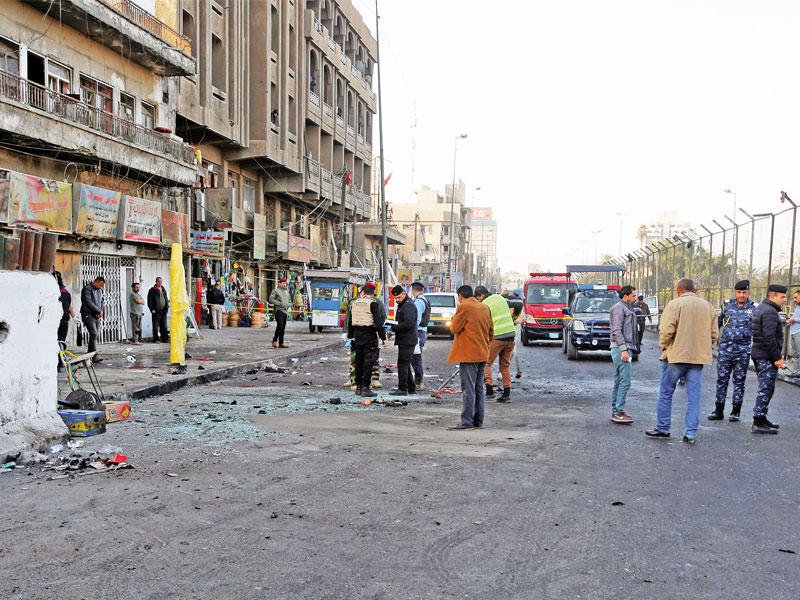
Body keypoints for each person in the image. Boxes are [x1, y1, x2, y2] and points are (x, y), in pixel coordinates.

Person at [645, 278, 718, 444]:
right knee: (694, 398)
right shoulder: (708, 307)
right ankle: (690, 433)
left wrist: (664, 346)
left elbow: (666, 330)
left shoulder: (674, 304)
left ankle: (663, 428)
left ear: (678, 290)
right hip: (698, 358)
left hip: (676, 356)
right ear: (694, 290)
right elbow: (714, 335)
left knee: (666, 393)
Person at [446, 285, 493, 430]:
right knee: (479, 387)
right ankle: (478, 421)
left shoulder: (464, 307)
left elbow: (454, 328)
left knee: (468, 389)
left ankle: (466, 422)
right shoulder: (484, 307)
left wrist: (454, 317)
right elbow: (491, 332)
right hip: (482, 353)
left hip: (469, 355)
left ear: (460, 297)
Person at [709, 279, 755, 422]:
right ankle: (718, 410)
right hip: (725, 350)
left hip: (743, 351)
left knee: (739, 381)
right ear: (735, 292)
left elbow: (758, 329)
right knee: (722, 380)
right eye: (739, 292)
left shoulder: (754, 308)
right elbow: (717, 324)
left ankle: (735, 411)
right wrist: (712, 340)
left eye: (744, 292)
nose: (741, 295)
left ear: (748, 293)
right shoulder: (727, 305)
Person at [750, 284, 788, 434]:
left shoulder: (763, 308)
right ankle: (758, 422)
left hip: (761, 354)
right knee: (765, 388)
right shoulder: (770, 312)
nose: (785, 300)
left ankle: (762, 417)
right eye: (782, 297)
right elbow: (769, 337)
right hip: (766, 356)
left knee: (768, 388)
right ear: (773, 297)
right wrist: (777, 358)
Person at [475, 286, 519, 403]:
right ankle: (506, 394)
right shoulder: (500, 298)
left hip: (497, 336)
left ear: (482, 295)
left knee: (486, 363)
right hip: (510, 336)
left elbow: (483, 323)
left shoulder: (484, 304)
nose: (478, 300)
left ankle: (489, 392)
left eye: (478, 298)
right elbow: (518, 304)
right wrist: (515, 316)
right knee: (505, 366)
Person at [347, 281, 387, 398]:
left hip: (357, 335)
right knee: (368, 362)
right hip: (369, 335)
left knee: (358, 361)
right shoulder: (373, 304)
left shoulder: (354, 303)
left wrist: (350, 336)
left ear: (363, 292)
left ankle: (359, 387)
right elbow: (378, 324)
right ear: (373, 293)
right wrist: (383, 338)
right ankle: (366, 388)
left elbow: (350, 322)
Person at [609, 285, 638, 424]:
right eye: (633, 295)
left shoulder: (627, 308)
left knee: (619, 381)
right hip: (621, 349)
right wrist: (623, 350)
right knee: (625, 381)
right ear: (625, 296)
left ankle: (617, 411)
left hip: (623, 348)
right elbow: (616, 330)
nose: (635, 298)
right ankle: (618, 412)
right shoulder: (618, 308)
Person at [389, 285, 418, 396]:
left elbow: (407, 324)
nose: (397, 300)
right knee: (405, 364)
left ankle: (402, 389)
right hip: (405, 339)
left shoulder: (408, 305)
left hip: (407, 339)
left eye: (399, 297)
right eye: (395, 298)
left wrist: (393, 327)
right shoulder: (404, 304)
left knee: (402, 365)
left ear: (404, 294)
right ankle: (411, 387)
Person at [80, 276, 105, 363]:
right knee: (93, 333)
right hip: (88, 314)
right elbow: (88, 302)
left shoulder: (99, 290)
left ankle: (91, 355)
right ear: (96, 282)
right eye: (100, 285)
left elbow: (101, 301)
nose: (101, 287)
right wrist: (98, 311)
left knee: (94, 335)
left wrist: (100, 311)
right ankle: (93, 355)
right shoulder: (87, 289)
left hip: (96, 315)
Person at [410, 282, 431, 388]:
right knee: (415, 357)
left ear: (413, 290)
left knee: (415, 357)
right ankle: (417, 380)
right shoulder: (424, 300)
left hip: (417, 332)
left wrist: (410, 331)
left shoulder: (418, 302)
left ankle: (418, 381)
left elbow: (416, 319)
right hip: (421, 332)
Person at [55, 271, 76, 370]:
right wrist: (73, 316)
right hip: (64, 321)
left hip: (56, 322)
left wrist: (74, 316)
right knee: (61, 341)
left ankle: (57, 363)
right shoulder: (66, 292)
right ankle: (60, 363)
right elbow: (69, 306)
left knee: (55, 342)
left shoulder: (53, 292)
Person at [269, 278, 291, 348]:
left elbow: (289, 300)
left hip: (285, 311)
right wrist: (279, 303)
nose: (284, 284)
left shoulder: (286, 291)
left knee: (283, 327)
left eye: (285, 283)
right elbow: (271, 299)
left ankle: (281, 343)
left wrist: (289, 304)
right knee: (280, 326)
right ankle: (274, 340)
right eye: (283, 283)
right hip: (278, 310)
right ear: (279, 283)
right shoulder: (275, 291)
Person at [147, 277, 170, 343]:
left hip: (163, 310)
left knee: (164, 325)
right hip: (156, 311)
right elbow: (149, 301)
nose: (160, 282)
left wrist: (167, 308)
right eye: (159, 281)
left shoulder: (163, 289)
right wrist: (152, 309)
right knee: (155, 326)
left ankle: (165, 339)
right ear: (156, 282)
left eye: (161, 281)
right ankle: (156, 339)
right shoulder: (152, 290)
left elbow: (166, 299)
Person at [788, 290, 800, 377]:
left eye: (796, 297)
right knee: (795, 354)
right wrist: (791, 317)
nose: (794, 300)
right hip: (793, 332)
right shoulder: (798, 306)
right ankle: (796, 372)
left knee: (799, 353)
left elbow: (796, 319)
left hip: (798, 332)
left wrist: (794, 319)